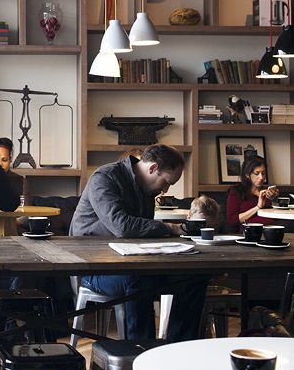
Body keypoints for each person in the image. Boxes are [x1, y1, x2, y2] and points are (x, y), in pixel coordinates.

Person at [71, 144, 208, 342]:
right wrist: (170, 228)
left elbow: (142, 234)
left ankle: (177, 350)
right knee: (139, 277)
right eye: (166, 182)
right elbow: (122, 226)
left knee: (193, 277)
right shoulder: (104, 178)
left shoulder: (147, 190)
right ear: (152, 168)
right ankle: (140, 351)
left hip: (133, 263)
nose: (165, 189)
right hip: (95, 268)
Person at [226, 154, 279, 230]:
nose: (261, 177)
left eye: (263, 173)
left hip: (273, 227)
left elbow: (275, 215)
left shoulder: (267, 192)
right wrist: (258, 207)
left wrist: (275, 200)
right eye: (257, 173)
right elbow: (231, 221)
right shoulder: (236, 192)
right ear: (247, 174)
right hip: (251, 231)